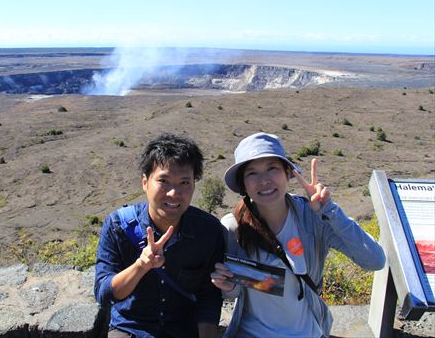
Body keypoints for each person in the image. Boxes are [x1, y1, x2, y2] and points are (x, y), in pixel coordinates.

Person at [211, 132, 385, 338]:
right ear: (243, 184)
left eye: (272, 169)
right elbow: (236, 292)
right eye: (252, 173)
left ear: (288, 173)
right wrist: (227, 285)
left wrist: (330, 211)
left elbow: (374, 260)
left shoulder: (312, 218)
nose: (264, 180)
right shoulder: (234, 227)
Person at [94, 132, 225, 338]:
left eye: (184, 182)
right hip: (130, 328)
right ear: (145, 183)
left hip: (185, 330)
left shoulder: (208, 230)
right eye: (164, 181)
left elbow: (209, 295)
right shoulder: (118, 226)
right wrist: (141, 266)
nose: (174, 193)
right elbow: (104, 294)